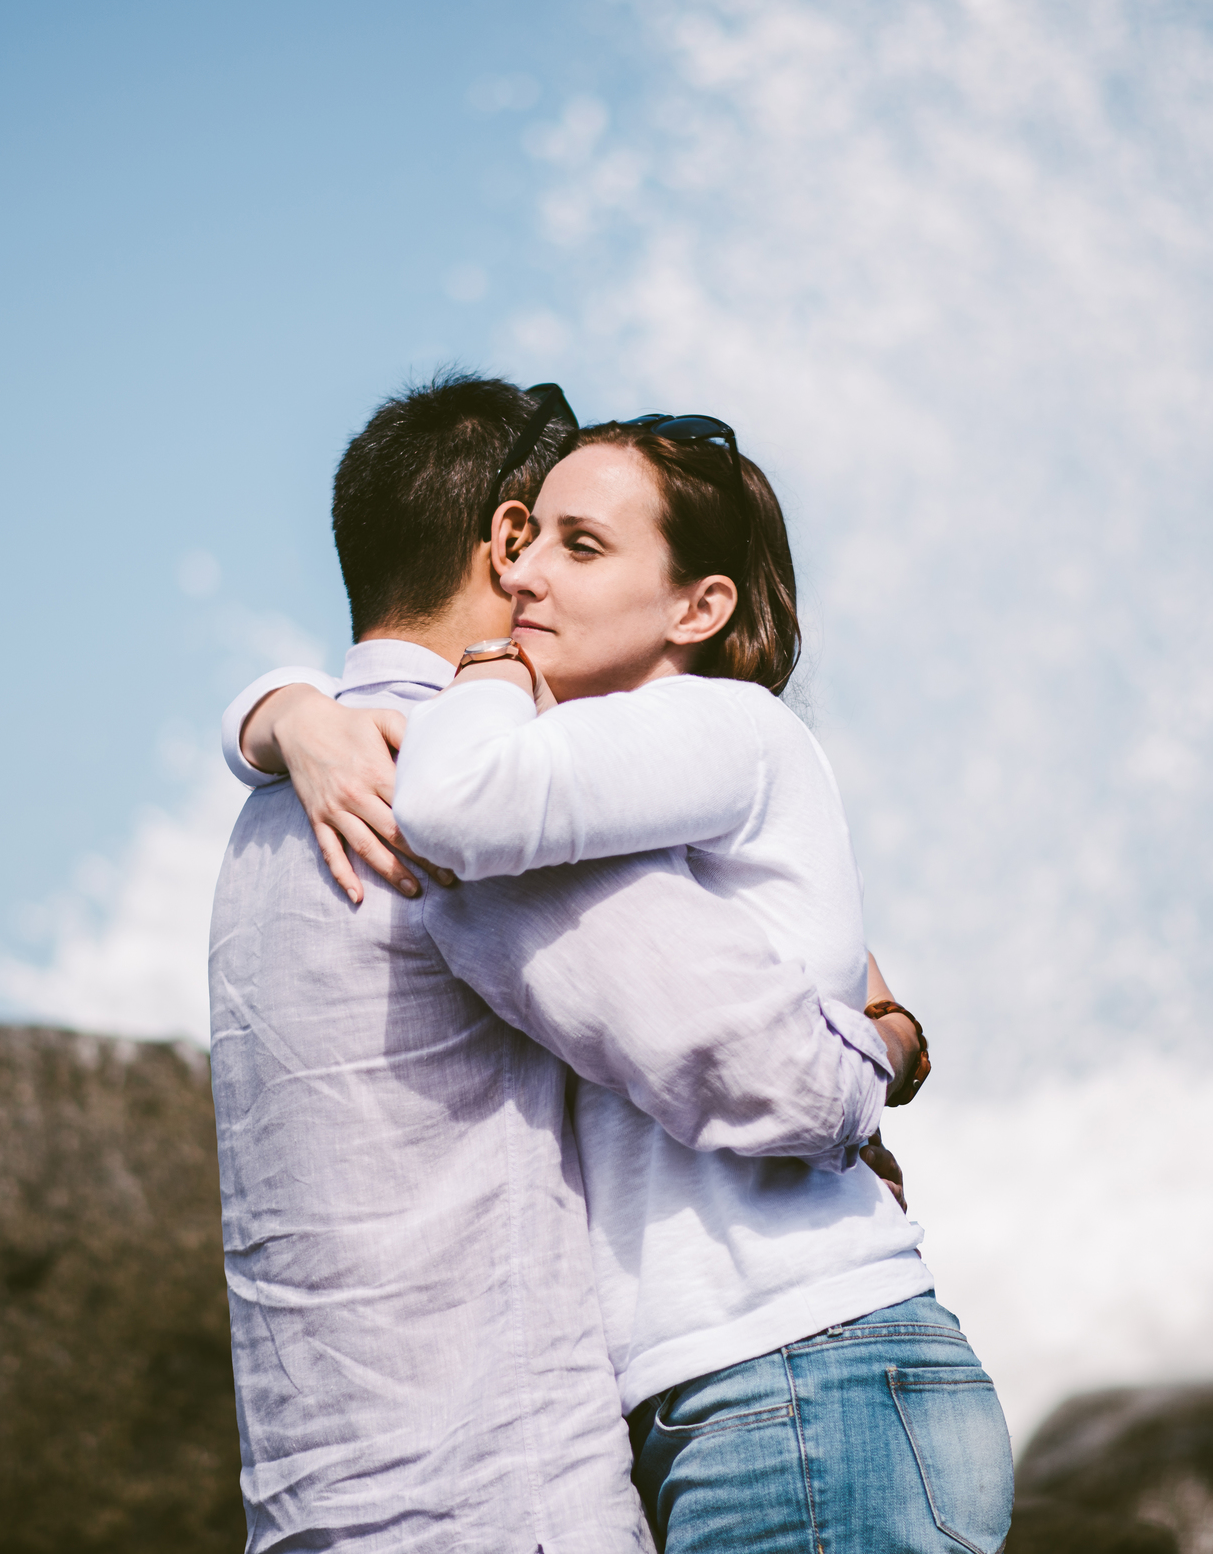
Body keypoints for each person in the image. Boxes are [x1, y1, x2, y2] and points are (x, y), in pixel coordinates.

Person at [233, 398, 1015, 1551]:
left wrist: (369, 693)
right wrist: (277, 710)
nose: (530, 577)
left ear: (700, 606)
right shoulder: (520, 771)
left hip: (800, 1365)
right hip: (746, 1389)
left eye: (577, 546)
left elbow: (457, 805)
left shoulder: (713, 729)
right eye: (527, 541)